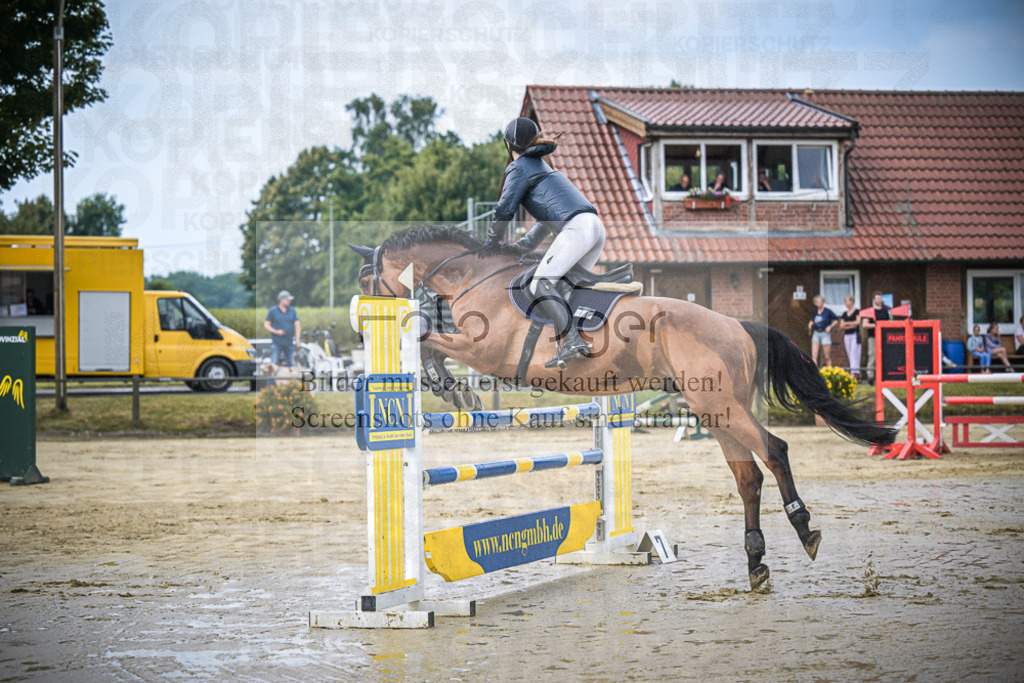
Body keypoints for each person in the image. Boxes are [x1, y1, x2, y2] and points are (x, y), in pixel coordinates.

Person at [484, 117, 605, 368]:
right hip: (594, 227)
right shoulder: (543, 167)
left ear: (509, 146)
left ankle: (573, 341)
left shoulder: (519, 168)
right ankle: (575, 341)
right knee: (563, 287)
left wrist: (491, 243)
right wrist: (524, 246)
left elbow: (505, 209)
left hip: (577, 229)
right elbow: (545, 221)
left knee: (540, 284)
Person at [264, 290, 301, 368]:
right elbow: (266, 325)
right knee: (273, 364)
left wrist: (297, 340)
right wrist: (276, 332)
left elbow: (297, 325)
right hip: (276, 342)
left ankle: (291, 380)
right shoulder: (273, 311)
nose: (289, 301)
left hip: (289, 342)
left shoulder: (292, 310)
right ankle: (272, 380)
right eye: (287, 299)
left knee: (291, 364)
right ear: (281, 299)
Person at [861, 291, 891, 384]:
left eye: (880, 298)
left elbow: (889, 322)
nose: (879, 300)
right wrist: (876, 325)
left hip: (884, 336)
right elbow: (864, 325)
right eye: (877, 298)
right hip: (873, 337)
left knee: (884, 356)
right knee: (872, 356)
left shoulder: (885, 310)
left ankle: (884, 375)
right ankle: (870, 376)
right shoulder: (870, 311)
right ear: (873, 300)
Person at [807, 295, 839, 366]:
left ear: (823, 302)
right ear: (815, 303)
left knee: (827, 356)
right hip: (816, 333)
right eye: (817, 302)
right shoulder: (815, 312)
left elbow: (837, 319)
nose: (819, 303)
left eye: (820, 302)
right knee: (814, 356)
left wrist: (830, 327)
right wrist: (811, 323)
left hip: (825, 334)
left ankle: (830, 374)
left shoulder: (828, 311)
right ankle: (814, 373)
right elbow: (813, 320)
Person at [839, 295, 861, 378]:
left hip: (855, 335)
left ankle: (853, 374)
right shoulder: (844, 313)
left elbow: (858, 322)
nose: (845, 303)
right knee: (849, 354)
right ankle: (858, 374)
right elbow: (841, 326)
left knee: (854, 354)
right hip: (847, 335)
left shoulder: (857, 311)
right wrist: (851, 324)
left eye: (847, 301)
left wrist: (847, 323)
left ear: (852, 301)